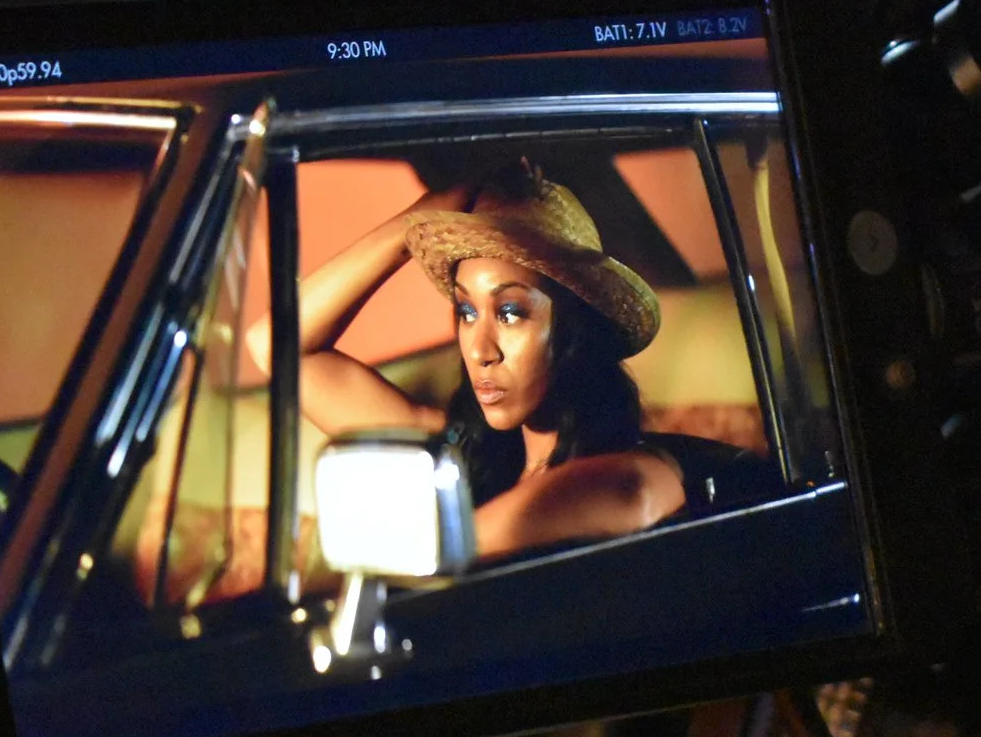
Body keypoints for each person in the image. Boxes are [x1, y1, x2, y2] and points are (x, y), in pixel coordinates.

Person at [252, 160, 739, 564]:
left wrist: (438, 547)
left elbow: (631, 492)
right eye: (466, 312)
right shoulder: (464, 454)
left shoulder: (634, 471)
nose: (480, 350)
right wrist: (414, 223)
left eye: (510, 313)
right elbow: (274, 346)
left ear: (572, 330)